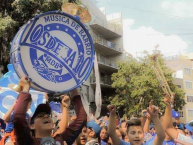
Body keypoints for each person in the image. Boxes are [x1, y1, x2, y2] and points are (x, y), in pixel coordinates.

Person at [13, 77, 87, 145]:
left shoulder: (61, 139)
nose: (46, 116)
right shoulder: (27, 141)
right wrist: (26, 88)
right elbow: (18, 118)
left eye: (48, 116)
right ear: (32, 126)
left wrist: (73, 87)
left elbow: (82, 118)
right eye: (40, 116)